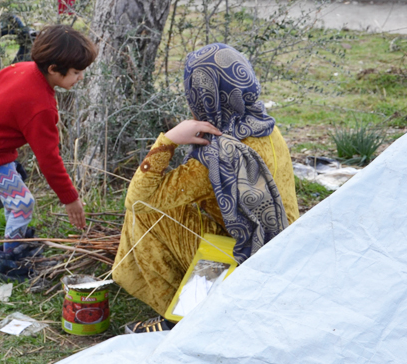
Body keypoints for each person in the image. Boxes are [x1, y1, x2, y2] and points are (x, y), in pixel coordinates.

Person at [113, 43, 299, 333]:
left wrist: (168, 140)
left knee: (146, 213)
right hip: (286, 255)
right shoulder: (264, 126)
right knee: (176, 203)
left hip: (244, 263)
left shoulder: (216, 156)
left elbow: (137, 200)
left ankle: (176, 317)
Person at [0, 24, 96, 281]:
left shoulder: (22, 68)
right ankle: (13, 261)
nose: (80, 77)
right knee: (22, 203)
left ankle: (5, 208)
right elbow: (49, 160)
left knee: (14, 190)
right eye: (76, 72)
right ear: (53, 69)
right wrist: (70, 198)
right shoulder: (41, 107)